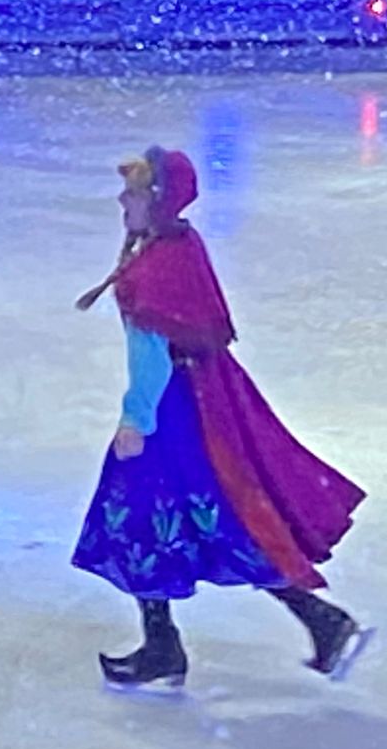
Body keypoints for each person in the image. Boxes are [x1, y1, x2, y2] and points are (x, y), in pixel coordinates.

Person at [72, 148, 369, 689]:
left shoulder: (152, 270)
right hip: (202, 402)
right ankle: (309, 621)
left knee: (148, 515)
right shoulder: (177, 247)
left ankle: (176, 644)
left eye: (133, 194)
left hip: (172, 412)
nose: (122, 201)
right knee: (210, 517)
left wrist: (136, 420)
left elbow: (151, 355)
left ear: (155, 200)